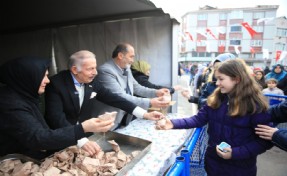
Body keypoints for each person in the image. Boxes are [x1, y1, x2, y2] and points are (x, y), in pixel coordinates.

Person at [156, 59, 273, 176]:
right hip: (213, 165)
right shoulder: (217, 99)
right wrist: (172, 123)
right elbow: (198, 119)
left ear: (237, 79)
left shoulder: (255, 106)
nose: (217, 83)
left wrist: (235, 153)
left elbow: (265, 141)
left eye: (221, 79)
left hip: (241, 169)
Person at [0, 57, 116, 159]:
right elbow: (38, 138)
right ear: (28, 77)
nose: (48, 80)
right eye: (44, 76)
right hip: (18, 161)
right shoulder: (11, 104)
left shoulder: (25, 93)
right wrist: (82, 129)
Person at [45, 51, 163, 137]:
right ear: (75, 70)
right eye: (90, 69)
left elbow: (114, 99)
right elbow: (56, 118)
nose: (95, 73)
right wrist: (78, 138)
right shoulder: (55, 84)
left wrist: (144, 114)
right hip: (62, 135)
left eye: (95, 68)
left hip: (85, 133)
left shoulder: (91, 81)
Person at [95, 43, 170, 128]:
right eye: (131, 56)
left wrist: (156, 92)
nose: (133, 60)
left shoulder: (126, 68)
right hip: (109, 121)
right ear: (120, 56)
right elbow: (120, 97)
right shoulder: (105, 71)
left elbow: (136, 88)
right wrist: (150, 102)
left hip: (124, 118)